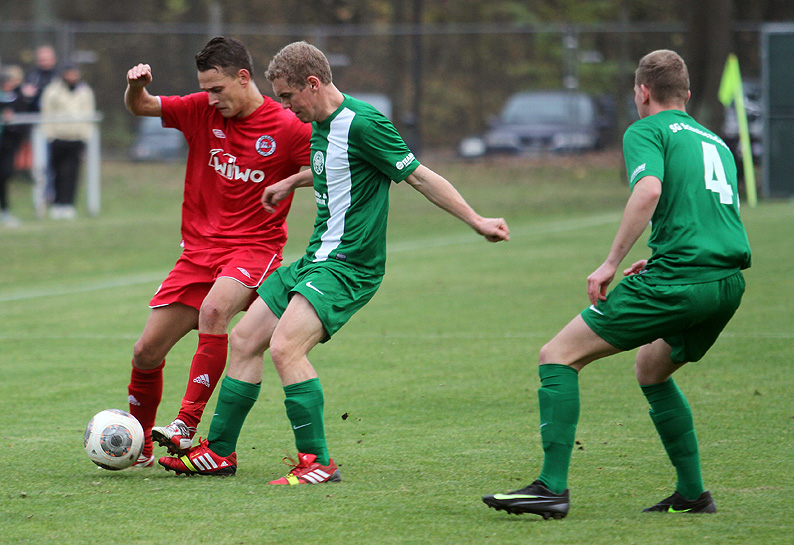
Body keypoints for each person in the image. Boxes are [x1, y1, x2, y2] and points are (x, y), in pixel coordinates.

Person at [159, 41, 510, 481]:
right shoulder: (321, 125)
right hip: (316, 258)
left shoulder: (364, 123)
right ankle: (219, 452)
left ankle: (317, 463)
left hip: (349, 264)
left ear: (313, 83)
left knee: (285, 347)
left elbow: (419, 176)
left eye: (288, 97)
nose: (285, 107)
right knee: (246, 338)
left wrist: (477, 220)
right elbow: (340, 166)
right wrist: (292, 181)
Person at [482, 49, 752, 519]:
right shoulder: (715, 141)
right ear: (686, 95)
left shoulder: (646, 130)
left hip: (680, 281)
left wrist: (612, 262)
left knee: (557, 355)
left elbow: (649, 191)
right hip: (726, 283)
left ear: (642, 92)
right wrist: (661, 253)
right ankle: (693, 494)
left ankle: (551, 488)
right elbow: (708, 215)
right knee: (652, 369)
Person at [123, 37, 312, 467]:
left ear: (243, 78)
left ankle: (185, 425)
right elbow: (142, 107)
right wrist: (135, 87)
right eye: (205, 89)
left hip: (255, 248)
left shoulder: (286, 126)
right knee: (145, 352)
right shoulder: (201, 111)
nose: (210, 98)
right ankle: (140, 448)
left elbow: (321, 170)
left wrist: (289, 182)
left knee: (213, 311)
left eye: (217, 89)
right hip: (197, 254)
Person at [40, 62, 96, 219]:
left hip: (76, 137)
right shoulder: (52, 90)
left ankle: (69, 204)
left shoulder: (85, 91)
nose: (72, 76)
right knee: (57, 171)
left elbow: (89, 113)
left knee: (72, 172)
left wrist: (85, 135)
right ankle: (57, 204)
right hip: (58, 137)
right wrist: (50, 135)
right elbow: (46, 113)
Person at [0, 65, 34, 227]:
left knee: (5, 175)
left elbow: (24, 118)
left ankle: (5, 211)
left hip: (8, 144)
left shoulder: (18, 97)